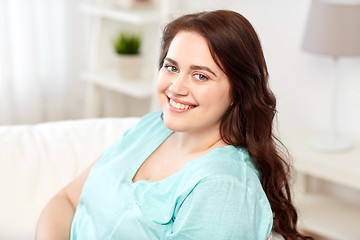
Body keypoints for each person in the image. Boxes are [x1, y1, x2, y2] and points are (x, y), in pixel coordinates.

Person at [36, 10, 313, 240]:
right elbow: (67, 200)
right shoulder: (152, 127)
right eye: (171, 67)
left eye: (201, 76)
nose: (176, 87)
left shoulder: (224, 190)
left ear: (238, 92)